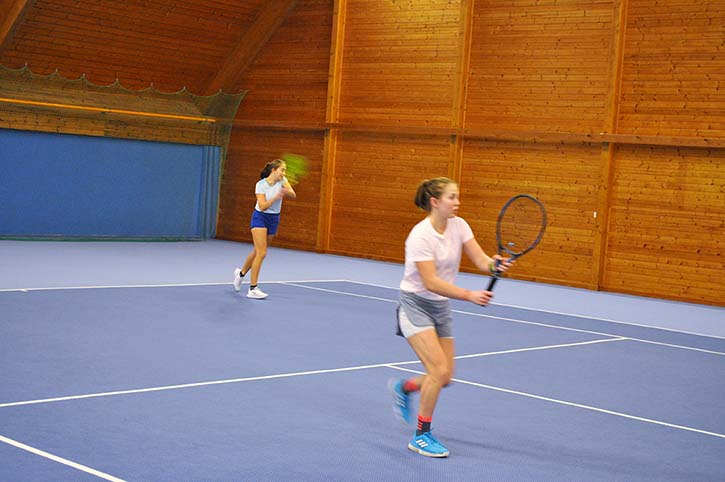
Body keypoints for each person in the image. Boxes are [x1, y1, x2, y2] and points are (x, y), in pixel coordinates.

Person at [389, 177, 512, 458]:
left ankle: (403, 387)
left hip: (440, 307)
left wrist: (495, 264)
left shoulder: (460, 225)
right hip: (415, 305)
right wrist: (469, 295)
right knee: (437, 370)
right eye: (452, 197)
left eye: (457, 196)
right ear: (435, 202)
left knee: (444, 376)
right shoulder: (420, 236)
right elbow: (430, 282)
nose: (457, 202)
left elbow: (481, 260)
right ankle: (421, 436)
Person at [233, 159, 296, 299]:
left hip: (274, 219)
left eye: (285, 170)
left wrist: (285, 190)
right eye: (282, 170)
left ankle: (240, 274)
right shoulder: (260, 185)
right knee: (262, 253)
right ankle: (253, 289)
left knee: (258, 251)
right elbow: (262, 206)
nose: (284, 173)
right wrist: (276, 197)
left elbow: (293, 194)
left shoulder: (283, 180)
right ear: (274, 170)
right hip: (260, 217)